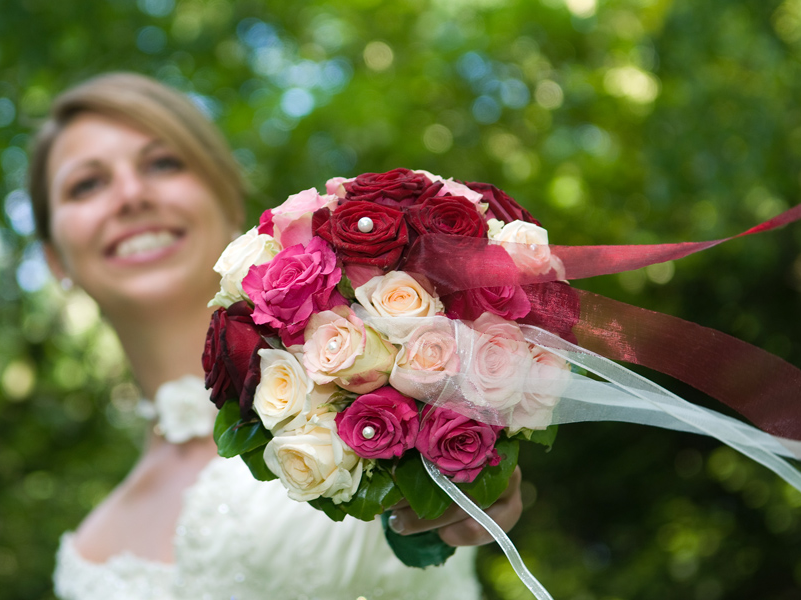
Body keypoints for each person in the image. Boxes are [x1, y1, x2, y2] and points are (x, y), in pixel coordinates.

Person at [29, 72, 524, 599]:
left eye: (162, 164)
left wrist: (470, 480)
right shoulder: (86, 555)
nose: (130, 194)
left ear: (225, 199)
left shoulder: (366, 377)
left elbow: (445, 504)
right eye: (86, 184)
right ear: (55, 258)